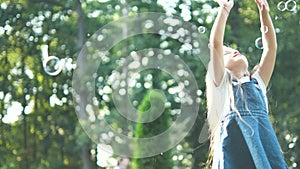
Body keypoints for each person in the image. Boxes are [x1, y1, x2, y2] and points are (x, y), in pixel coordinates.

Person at [205, 0, 288, 168]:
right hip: (234, 155)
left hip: (263, 153)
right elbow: (215, 44)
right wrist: (224, 10)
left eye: (235, 50)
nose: (234, 51)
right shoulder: (223, 84)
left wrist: (264, 12)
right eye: (226, 53)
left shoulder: (257, 83)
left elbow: (270, 48)